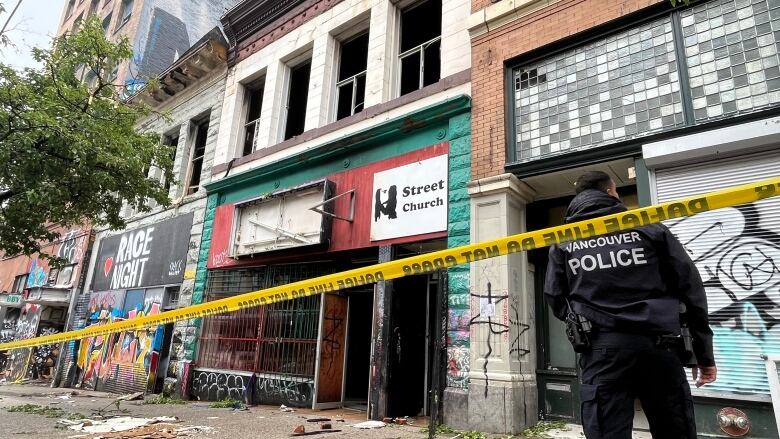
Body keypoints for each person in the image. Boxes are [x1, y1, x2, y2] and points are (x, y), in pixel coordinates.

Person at [544, 171, 717, 439]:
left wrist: (584, 321)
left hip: (602, 351)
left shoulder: (564, 241)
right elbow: (691, 290)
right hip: (661, 347)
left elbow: (555, 297)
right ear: (612, 192)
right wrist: (703, 354)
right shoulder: (648, 227)